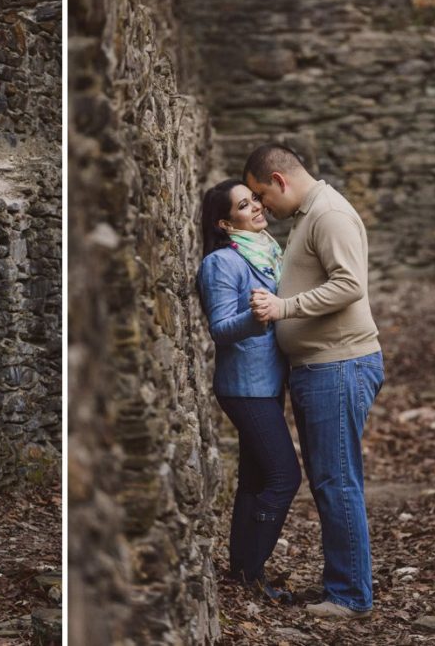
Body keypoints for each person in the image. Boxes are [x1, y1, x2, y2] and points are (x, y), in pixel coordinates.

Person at [243, 144, 384, 620]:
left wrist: (285, 308)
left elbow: (350, 284)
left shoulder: (329, 214)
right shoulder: (308, 215)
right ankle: (341, 585)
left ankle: (349, 596)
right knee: (330, 480)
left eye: (263, 195)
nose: (262, 207)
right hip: (319, 367)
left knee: (336, 481)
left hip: (338, 366)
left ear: (280, 181)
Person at [196, 179, 300, 605]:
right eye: (244, 205)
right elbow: (220, 329)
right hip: (245, 388)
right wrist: (257, 316)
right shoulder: (223, 262)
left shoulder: (265, 252)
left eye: (254, 199)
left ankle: (241, 571)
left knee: (255, 479)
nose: (256, 207)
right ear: (225, 222)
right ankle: (254, 572)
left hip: (267, 383)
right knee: (284, 477)